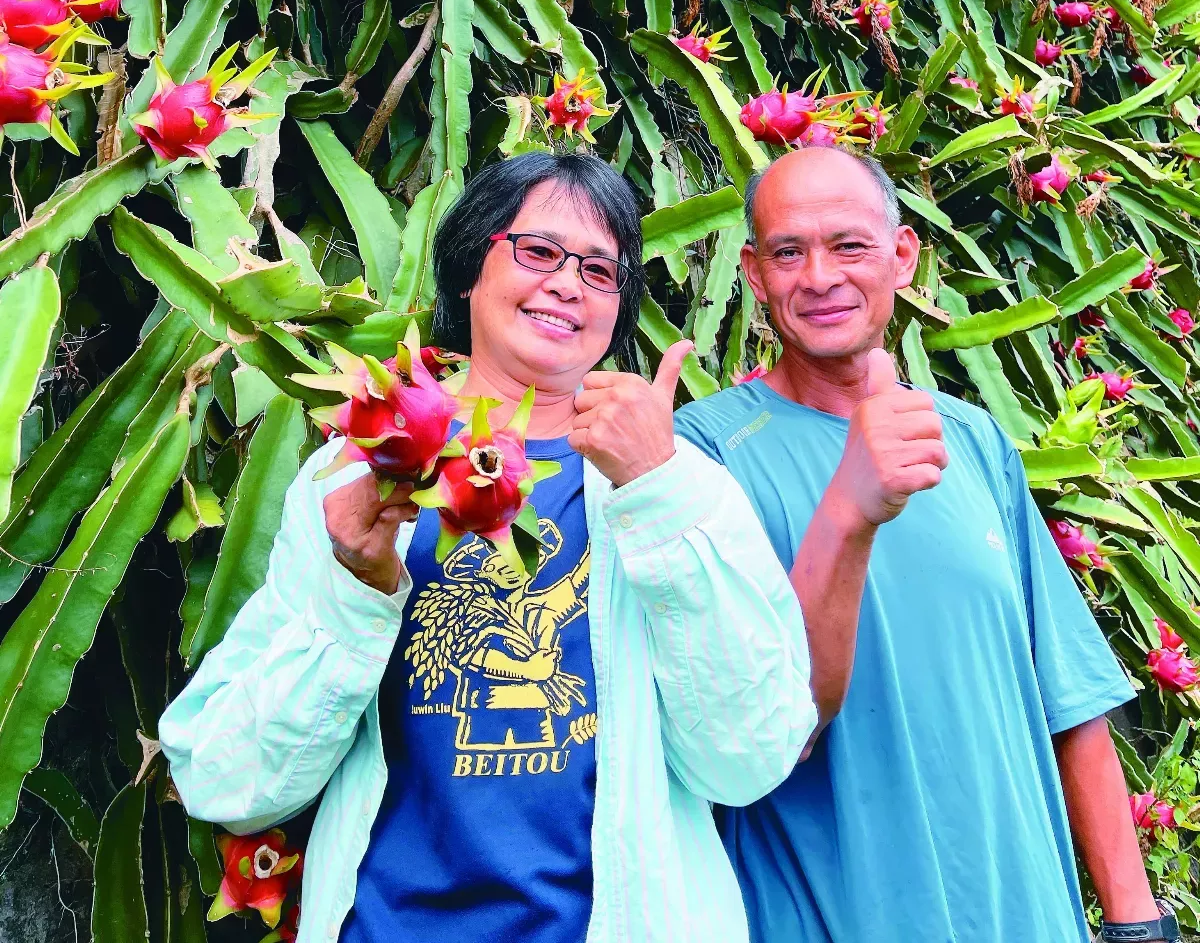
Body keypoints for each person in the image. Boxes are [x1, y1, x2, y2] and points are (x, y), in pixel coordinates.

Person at [160, 151, 816, 943]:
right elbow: (228, 778)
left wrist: (660, 494)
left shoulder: (681, 487)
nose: (569, 283)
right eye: (539, 251)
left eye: (602, 271)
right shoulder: (355, 483)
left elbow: (749, 759)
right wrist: (355, 590)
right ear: (470, 264)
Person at [675, 145, 1169, 943]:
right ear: (754, 273)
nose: (820, 276)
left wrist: (1136, 923)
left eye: (850, 245)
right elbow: (752, 724)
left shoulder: (974, 441)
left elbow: (1069, 698)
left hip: (1029, 914)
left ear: (903, 256)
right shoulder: (702, 457)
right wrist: (849, 504)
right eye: (788, 251)